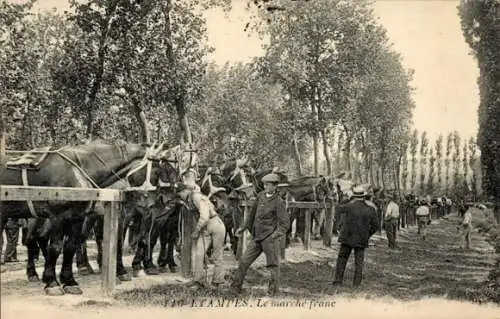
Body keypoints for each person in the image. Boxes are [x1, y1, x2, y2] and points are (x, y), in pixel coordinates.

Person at [230, 173, 289, 296]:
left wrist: (274, 236)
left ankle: (274, 293)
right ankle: (235, 288)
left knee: (273, 266)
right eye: (264, 184)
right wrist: (243, 227)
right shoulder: (261, 196)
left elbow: (284, 224)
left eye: (268, 184)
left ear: (274, 186)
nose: (265, 186)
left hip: (269, 238)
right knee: (244, 262)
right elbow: (252, 214)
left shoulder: (278, 202)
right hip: (256, 237)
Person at [179, 182, 227, 290]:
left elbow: (205, 217)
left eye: (181, 192)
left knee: (217, 255)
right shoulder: (189, 200)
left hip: (214, 224)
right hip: (205, 228)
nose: (180, 195)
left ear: (186, 190)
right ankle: (198, 281)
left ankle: (218, 282)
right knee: (199, 254)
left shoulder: (196, 197)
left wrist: (196, 230)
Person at [332, 186, 380, 287]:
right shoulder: (370, 209)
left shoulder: (348, 206)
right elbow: (376, 226)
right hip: (362, 238)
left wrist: (346, 200)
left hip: (347, 237)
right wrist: (367, 234)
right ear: (363, 196)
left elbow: (338, 208)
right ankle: (356, 283)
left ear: (353, 196)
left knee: (342, 259)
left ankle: (338, 281)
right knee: (359, 262)